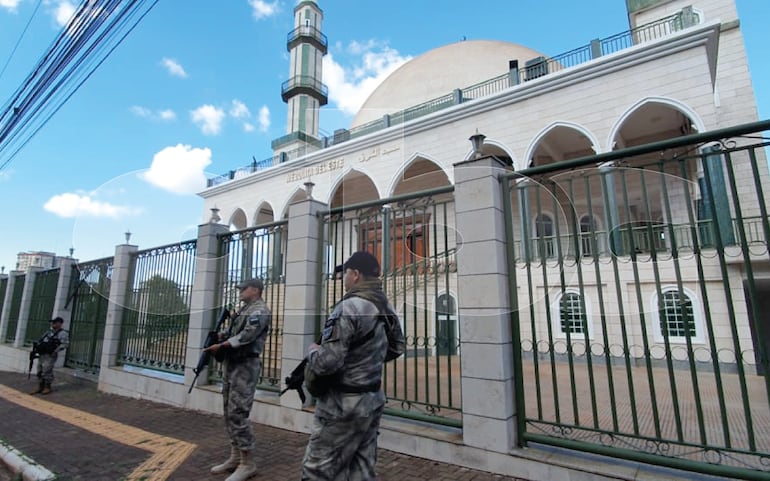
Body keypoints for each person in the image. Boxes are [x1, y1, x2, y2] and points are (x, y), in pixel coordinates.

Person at [301, 251, 406, 481]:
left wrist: (312, 352)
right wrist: (367, 360)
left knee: (317, 470)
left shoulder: (349, 307)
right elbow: (398, 346)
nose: (343, 278)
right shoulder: (384, 304)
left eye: (345, 273)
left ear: (356, 274)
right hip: (372, 399)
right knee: (361, 469)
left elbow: (328, 362)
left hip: (342, 404)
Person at [204, 278, 272, 481]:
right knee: (229, 411)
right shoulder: (245, 309)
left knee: (238, 413)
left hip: (245, 366)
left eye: (244, 289)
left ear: (255, 290)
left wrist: (223, 345)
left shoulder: (259, 310)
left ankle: (248, 463)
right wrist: (219, 336)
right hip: (232, 364)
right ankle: (235, 457)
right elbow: (234, 331)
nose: (240, 292)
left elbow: (247, 336)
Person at [30, 316, 69, 395]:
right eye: (52, 322)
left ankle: (47, 387)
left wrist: (56, 351)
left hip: (50, 354)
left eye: (55, 322)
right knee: (39, 370)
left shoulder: (62, 333)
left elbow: (65, 344)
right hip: (42, 354)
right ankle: (40, 386)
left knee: (47, 370)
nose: (53, 324)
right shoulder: (48, 332)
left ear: (60, 323)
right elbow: (41, 341)